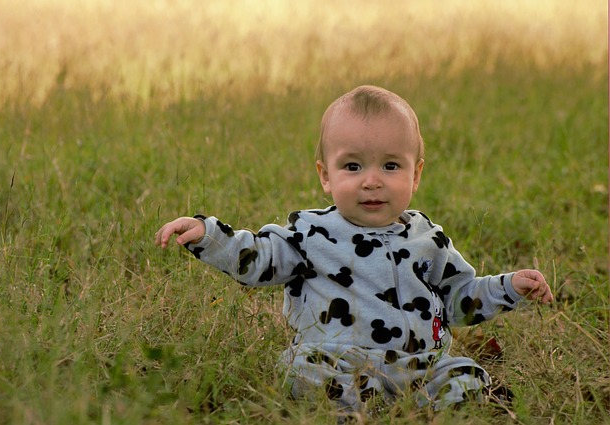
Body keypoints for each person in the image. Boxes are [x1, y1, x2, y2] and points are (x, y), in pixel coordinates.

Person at [154, 85, 553, 413]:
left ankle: (434, 409)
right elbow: (259, 258)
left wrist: (509, 287)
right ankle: (344, 411)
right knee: (304, 369)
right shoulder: (312, 233)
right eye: (353, 166)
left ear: (416, 175)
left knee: (467, 373)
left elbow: (459, 299)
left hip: (419, 366)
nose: (372, 181)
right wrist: (209, 235)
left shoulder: (428, 239)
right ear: (325, 176)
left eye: (391, 167)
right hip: (338, 361)